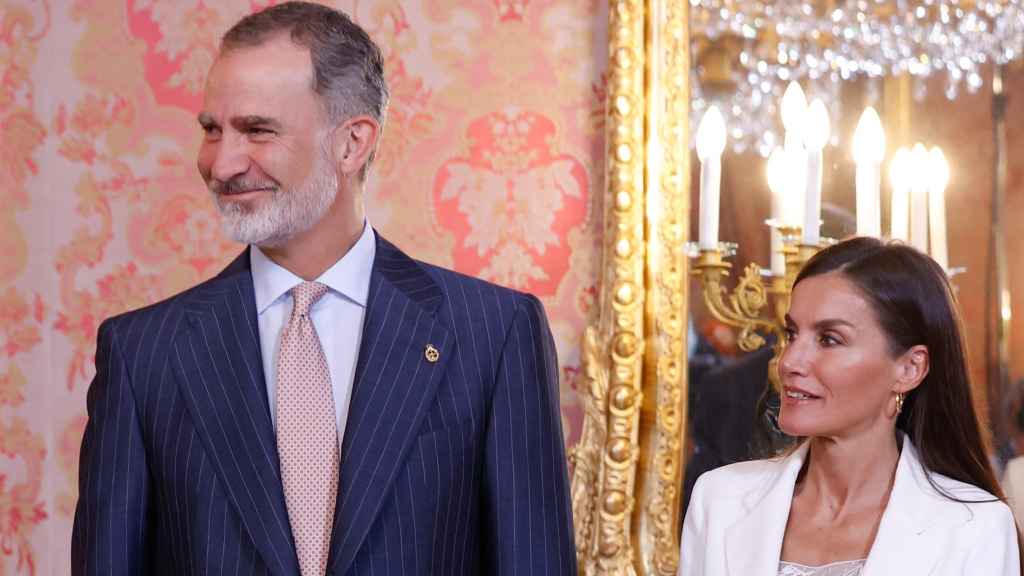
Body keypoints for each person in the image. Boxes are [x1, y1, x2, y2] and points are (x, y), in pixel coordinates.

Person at [71, 3, 576, 575]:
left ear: (351, 143)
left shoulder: (494, 335)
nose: (222, 163)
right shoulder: (143, 355)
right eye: (213, 129)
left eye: (257, 130)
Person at [679, 237, 1020, 575]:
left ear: (909, 369)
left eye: (829, 339)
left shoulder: (974, 528)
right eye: (791, 334)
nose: (790, 361)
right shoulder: (719, 500)